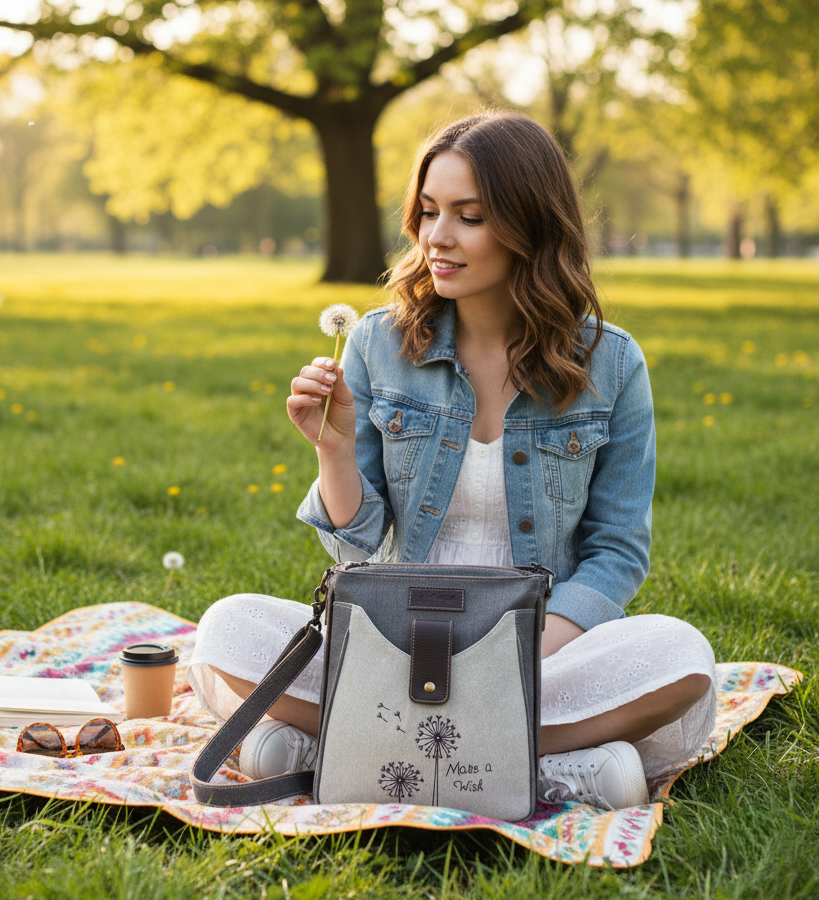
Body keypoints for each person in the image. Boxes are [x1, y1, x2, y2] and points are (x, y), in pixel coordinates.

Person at [187, 111, 716, 811]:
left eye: (469, 216)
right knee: (228, 630)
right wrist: (334, 450)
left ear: (530, 224)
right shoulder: (380, 344)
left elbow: (617, 552)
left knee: (681, 657)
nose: (438, 236)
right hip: (400, 641)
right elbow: (356, 544)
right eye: (430, 211)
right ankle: (547, 768)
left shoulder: (611, 362)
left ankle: (349, 753)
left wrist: (518, 657)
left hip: (541, 650)